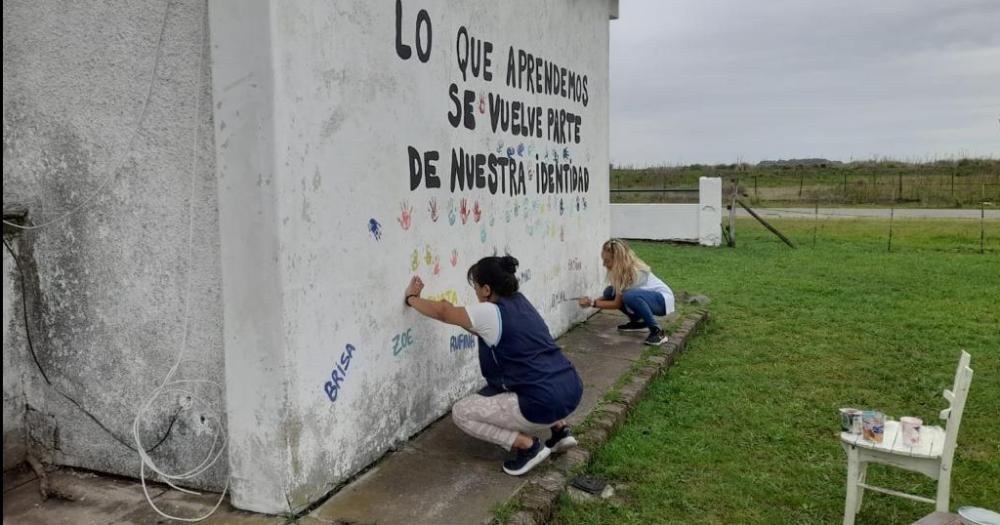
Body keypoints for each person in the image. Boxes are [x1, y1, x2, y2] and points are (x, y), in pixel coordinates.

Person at [404, 255, 583, 476]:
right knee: (538, 375)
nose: (476, 292)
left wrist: (412, 298)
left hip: (540, 403)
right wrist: (456, 315)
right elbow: (489, 329)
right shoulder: (521, 302)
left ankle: (528, 447)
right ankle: (560, 431)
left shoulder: (489, 310)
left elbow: (443, 312)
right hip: (570, 388)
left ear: (486, 289)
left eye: (476, 287)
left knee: (462, 412)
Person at [578, 238, 675, 345]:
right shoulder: (621, 271)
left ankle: (657, 332)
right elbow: (613, 297)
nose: (604, 264)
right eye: (603, 260)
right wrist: (591, 301)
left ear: (618, 261)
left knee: (629, 296)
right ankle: (639, 322)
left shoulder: (633, 274)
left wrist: (592, 303)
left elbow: (617, 303)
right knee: (609, 292)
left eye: (607, 261)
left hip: (662, 301)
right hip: (651, 299)